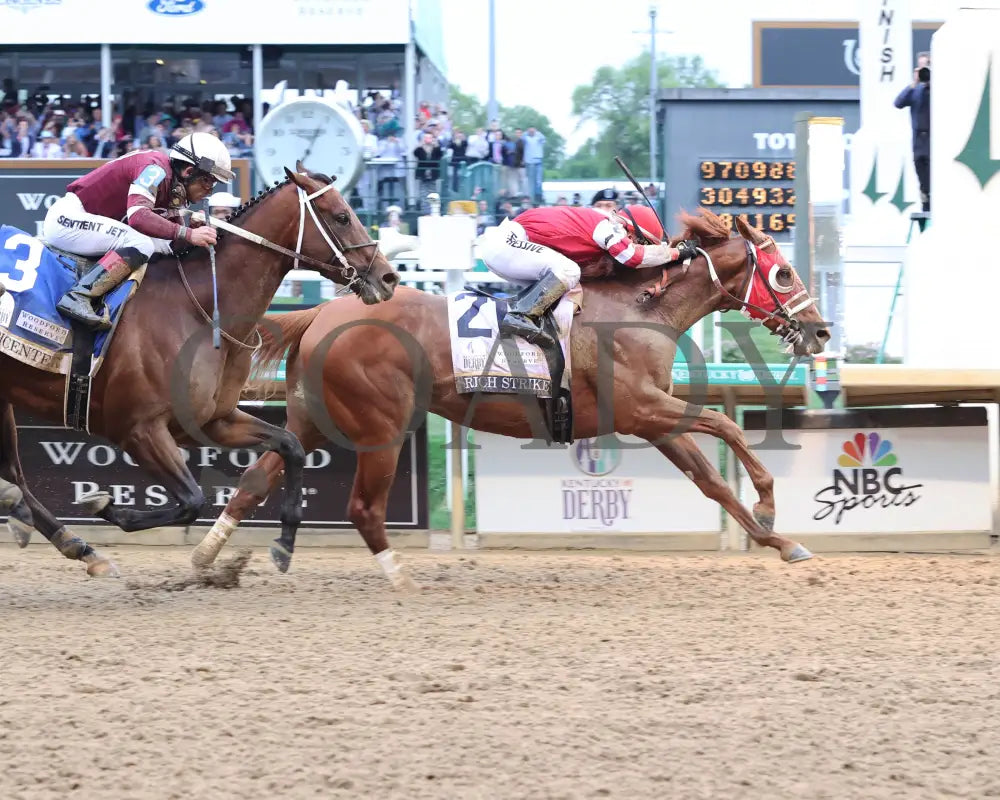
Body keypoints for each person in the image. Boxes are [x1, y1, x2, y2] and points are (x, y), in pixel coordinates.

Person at [43, 131, 232, 330]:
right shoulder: (155, 169)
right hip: (68, 219)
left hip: (88, 223)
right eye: (207, 181)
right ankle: (78, 296)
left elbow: (172, 246)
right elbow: (138, 216)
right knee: (141, 243)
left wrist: (190, 234)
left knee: (156, 246)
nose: (210, 189)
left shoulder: (174, 188)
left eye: (214, 184)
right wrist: (188, 234)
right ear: (188, 171)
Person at [478, 203, 698, 346]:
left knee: (567, 284)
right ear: (631, 230)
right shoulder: (606, 227)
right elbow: (633, 257)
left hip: (510, 246)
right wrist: (675, 252)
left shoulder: (604, 226)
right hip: (507, 244)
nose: (636, 245)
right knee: (568, 271)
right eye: (640, 242)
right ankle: (520, 317)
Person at [894, 51, 931, 213]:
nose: (924, 71)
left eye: (927, 66)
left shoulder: (940, 89)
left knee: (936, 182)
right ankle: (926, 210)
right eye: (921, 67)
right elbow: (898, 103)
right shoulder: (915, 91)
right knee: (924, 185)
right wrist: (913, 83)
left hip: (934, 143)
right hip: (918, 144)